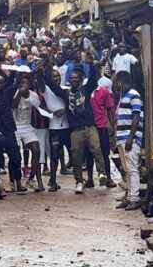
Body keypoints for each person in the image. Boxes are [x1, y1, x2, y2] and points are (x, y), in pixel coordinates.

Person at [42, 63, 106, 194]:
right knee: (76, 156)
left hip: (90, 127)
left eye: (76, 78)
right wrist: (44, 72)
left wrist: (92, 64)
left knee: (96, 149)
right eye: (71, 78)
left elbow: (93, 79)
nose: (73, 80)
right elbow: (53, 86)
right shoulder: (66, 93)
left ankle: (101, 173)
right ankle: (78, 181)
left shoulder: (86, 90)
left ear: (81, 80)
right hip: (75, 130)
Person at [35, 67, 71, 191]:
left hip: (68, 127)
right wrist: (40, 74)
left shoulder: (66, 90)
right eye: (53, 76)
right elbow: (40, 83)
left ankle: (79, 180)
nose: (55, 78)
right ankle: (53, 181)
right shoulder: (47, 90)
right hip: (54, 128)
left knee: (74, 154)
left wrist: (65, 110)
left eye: (57, 76)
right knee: (54, 156)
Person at [114, 71, 144, 210]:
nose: (116, 85)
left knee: (132, 169)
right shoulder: (123, 96)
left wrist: (131, 137)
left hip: (128, 137)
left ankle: (135, 198)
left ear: (122, 81)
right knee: (127, 169)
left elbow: (136, 117)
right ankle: (130, 196)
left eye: (117, 82)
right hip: (122, 137)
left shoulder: (134, 94)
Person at [13, 76, 44, 191]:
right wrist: (19, 93)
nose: (24, 85)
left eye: (26, 83)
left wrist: (26, 95)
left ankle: (32, 178)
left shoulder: (33, 95)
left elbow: (36, 104)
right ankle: (16, 181)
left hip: (27, 126)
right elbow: (14, 105)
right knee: (16, 154)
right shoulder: (14, 92)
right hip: (15, 126)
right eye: (22, 83)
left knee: (36, 150)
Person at [90, 75, 117, 188]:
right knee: (90, 154)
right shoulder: (86, 93)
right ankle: (90, 179)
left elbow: (110, 109)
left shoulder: (104, 92)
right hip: (91, 126)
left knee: (105, 153)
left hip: (102, 126)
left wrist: (113, 126)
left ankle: (109, 178)